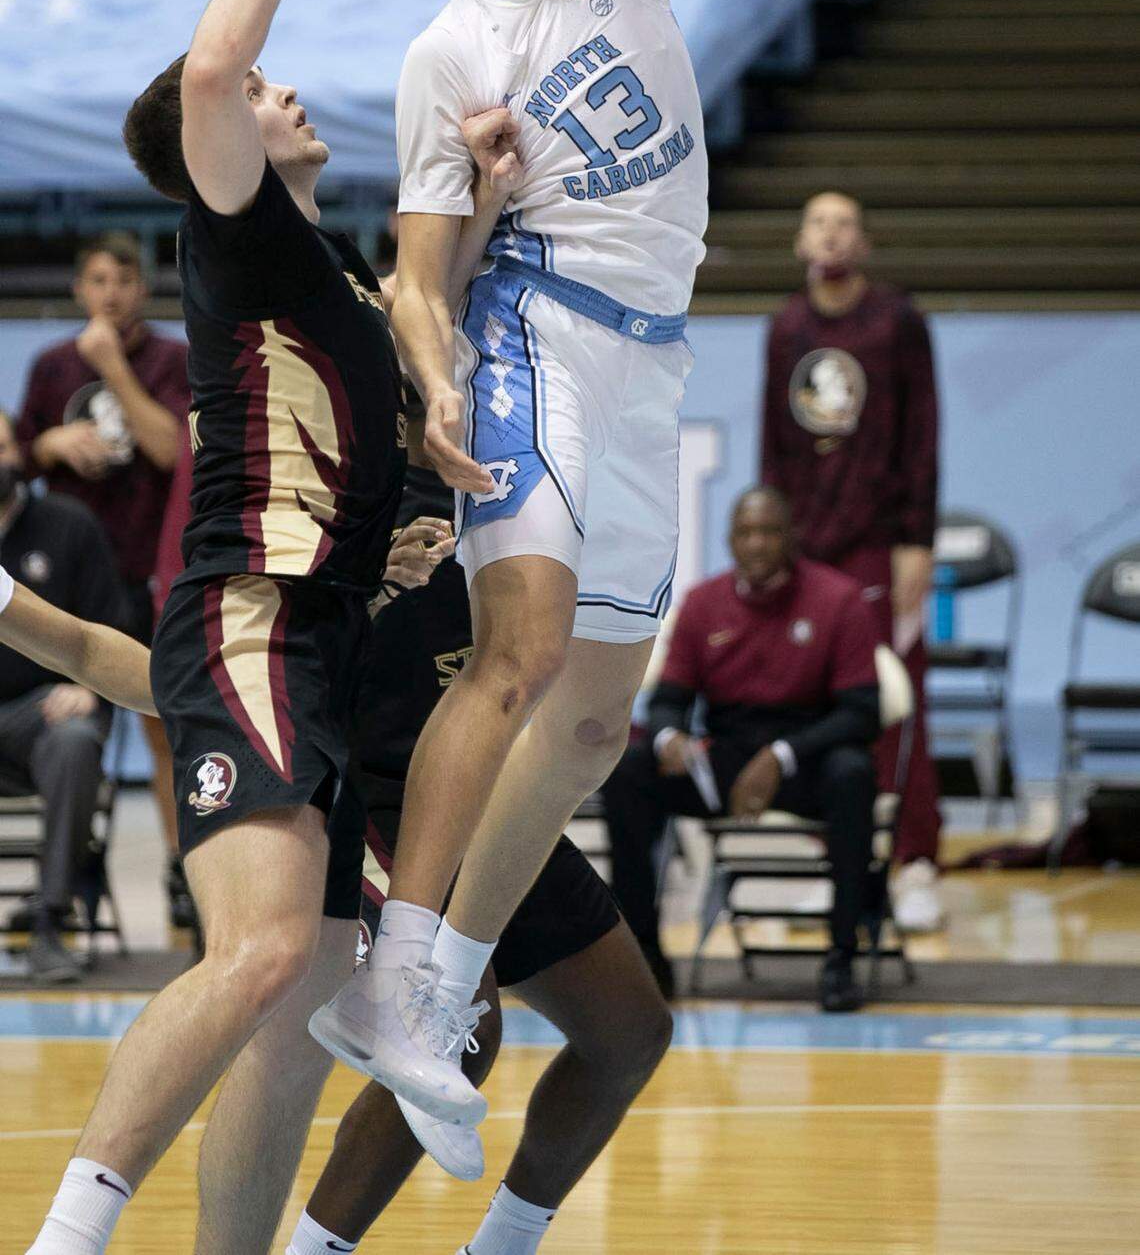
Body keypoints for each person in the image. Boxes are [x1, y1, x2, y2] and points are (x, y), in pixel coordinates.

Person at [309, 0, 707, 1140]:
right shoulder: (442, 49)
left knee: (597, 719)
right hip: (539, 322)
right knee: (521, 653)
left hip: (655, 357)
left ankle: (450, 971)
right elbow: (414, 271)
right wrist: (440, 373)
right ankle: (398, 967)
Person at [17, 0, 407, 1255]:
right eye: (263, 90)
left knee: (300, 997)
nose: (283, 88)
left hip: (325, 636)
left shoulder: (337, 277)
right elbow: (207, 78)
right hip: (250, 616)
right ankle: (70, 1233)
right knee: (254, 961)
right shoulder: (231, 231)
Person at [0, 421, 671, 1255]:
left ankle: (502, 1245)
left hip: (497, 799)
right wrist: (360, 589)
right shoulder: (327, 484)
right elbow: (151, 656)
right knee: (435, 1019)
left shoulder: (528, 473)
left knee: (630, 1033)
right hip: (378, 797)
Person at [602, 487, 880, 1013]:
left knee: (853, 773)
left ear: (792, 538)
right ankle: (644, 953)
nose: (757, 544)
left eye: (770, 532)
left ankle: (841, 958)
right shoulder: (704, 603)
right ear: (730, 540)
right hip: (726, 757)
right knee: (631, 769)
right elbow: (667, 704)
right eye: (746, 533)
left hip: (808, 756)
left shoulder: (838, 599)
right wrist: (670, 739)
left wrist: (783, 755)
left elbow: (861, 712)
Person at [760, 191, 944, 933]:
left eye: (845, 224)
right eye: (818, 223)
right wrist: (773, 546)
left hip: (879, 540)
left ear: (863, 243)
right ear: (801, 242)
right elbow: (774, 442)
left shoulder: (898, 322)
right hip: (806, 545)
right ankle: (834, 862)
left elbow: (922, 437)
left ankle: (915, 860)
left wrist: (917, 543)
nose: (831, 235)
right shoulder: (785, 329)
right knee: (814, 707)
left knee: (896, 700)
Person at [15, 232, 190, 925]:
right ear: (78, 289)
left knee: (164, 725)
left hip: (146, 570)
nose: (109, 293)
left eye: (122, 279)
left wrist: (114, 370)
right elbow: (15, 463)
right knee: (66, 715)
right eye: (96, 280)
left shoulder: (171, 361)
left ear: (142, 289)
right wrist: (47, 445)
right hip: (65, 583)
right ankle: (75, 866)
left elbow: (174, 450)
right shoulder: (51, 366)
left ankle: (182, 867)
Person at [0, 410, 125, 984]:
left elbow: (110, 632)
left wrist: (86, 687)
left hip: (40, 719)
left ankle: (51, 920)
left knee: (76, 740)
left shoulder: (69, 526)